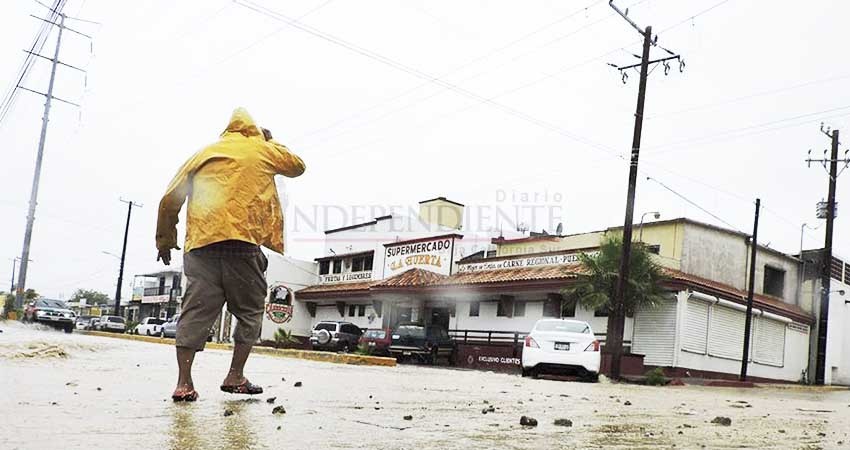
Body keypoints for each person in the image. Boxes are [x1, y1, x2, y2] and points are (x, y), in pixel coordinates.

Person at [155, 108, 305, 402]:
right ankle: (235, 375)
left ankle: (184, 383)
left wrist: (165, 240)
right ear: (253, 130)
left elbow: (169, 199)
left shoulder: (203, 153)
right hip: (242, 245)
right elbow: (297, 166)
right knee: (249, 313)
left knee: (195, 313)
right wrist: (271, 141)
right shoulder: (263, 150)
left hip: (202, 246)